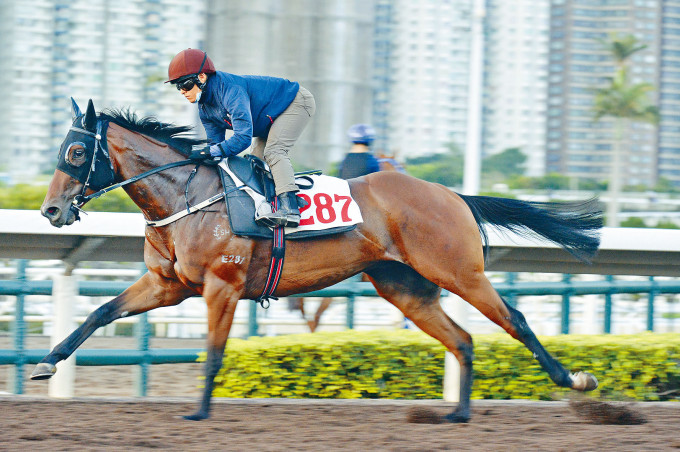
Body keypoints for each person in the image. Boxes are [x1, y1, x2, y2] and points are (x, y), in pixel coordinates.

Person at [166, 48, 316, 228]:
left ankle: (290, 209)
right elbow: (217, 148)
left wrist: (209, 151)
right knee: (255, 162)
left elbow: (243, 138)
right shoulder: (204, 108)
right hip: (267, 117)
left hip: (295, 103)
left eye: (186, 84)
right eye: (178, 87)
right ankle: (268, 205)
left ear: (202, 77)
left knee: (274, 152)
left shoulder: (231, 90)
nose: (182, 91)